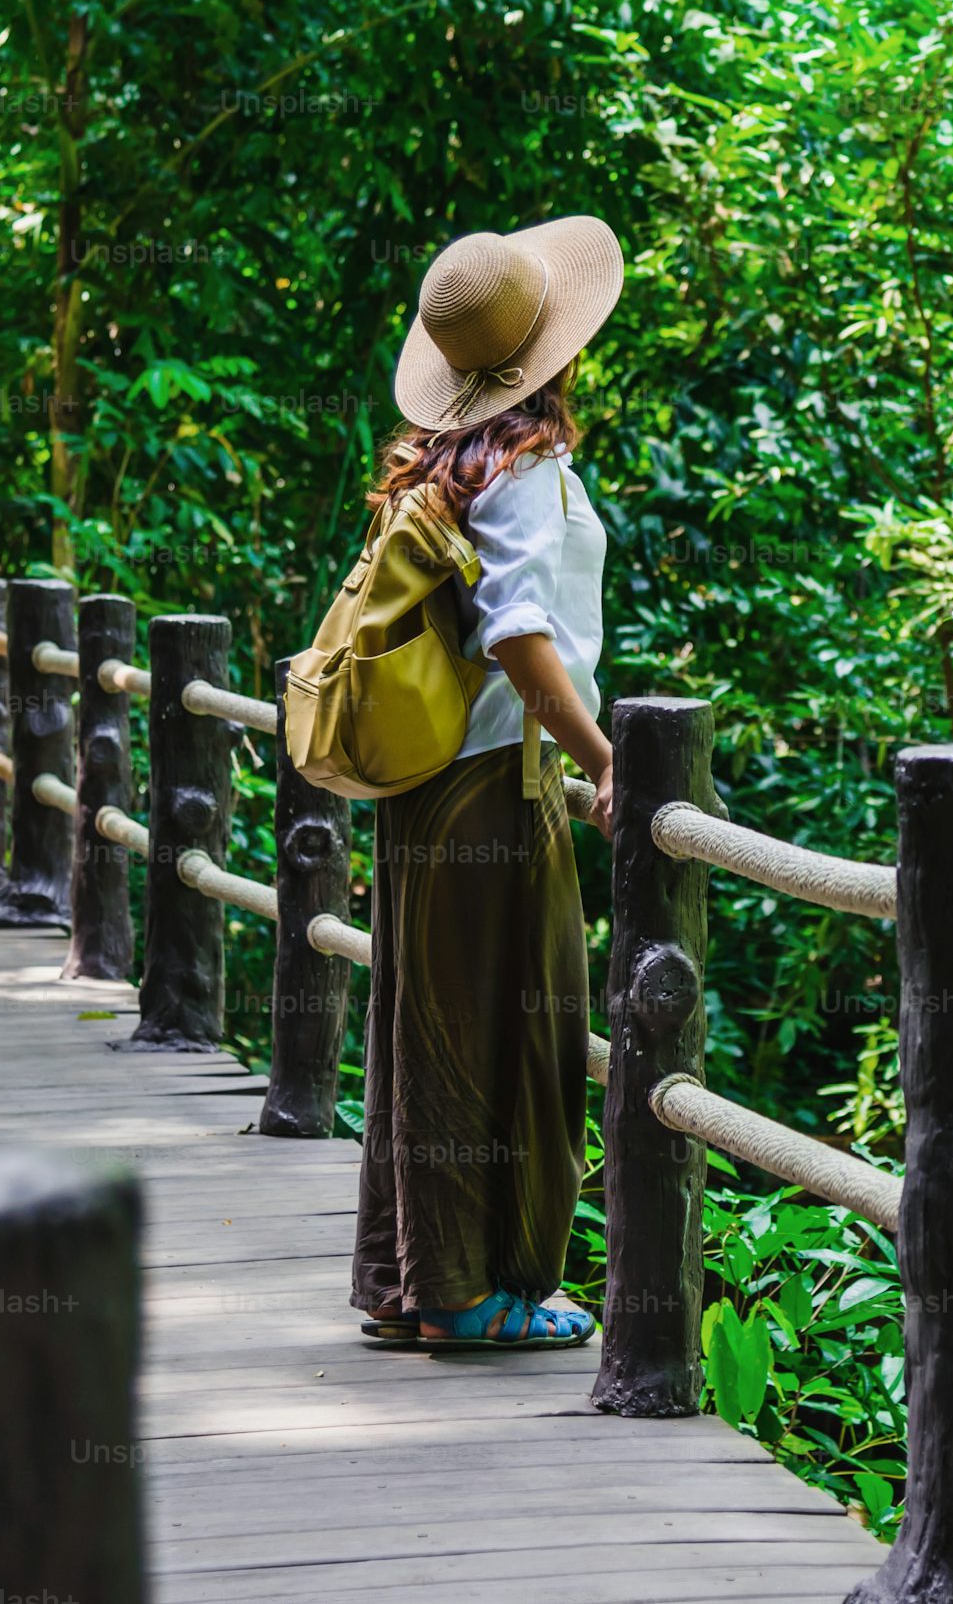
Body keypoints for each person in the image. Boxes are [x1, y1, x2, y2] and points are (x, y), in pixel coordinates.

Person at [350, 215, 621, 1348]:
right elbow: (518, 632)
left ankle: (410, 1280)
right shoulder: (530, 471)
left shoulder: (445, 463)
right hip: (494, 790)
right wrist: (604, 757)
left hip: (428, 786)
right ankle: (464, 1295)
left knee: (429, 1027)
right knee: (512, 1039)